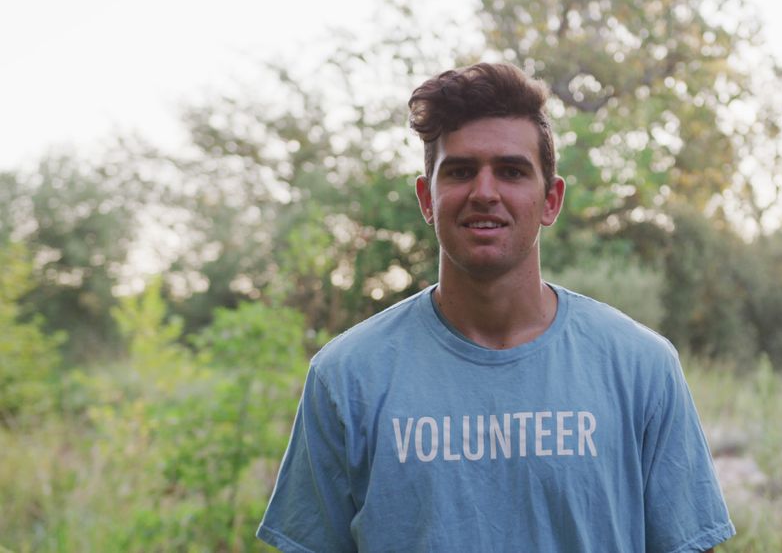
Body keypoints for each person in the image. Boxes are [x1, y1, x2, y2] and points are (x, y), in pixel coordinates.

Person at [256, 62, 734, 552]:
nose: (485, 193)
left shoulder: (641, 368)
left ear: (551, 200)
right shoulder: (347, 377)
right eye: (461, 171)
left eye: (511, 171)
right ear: (427, 198)